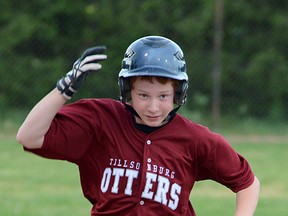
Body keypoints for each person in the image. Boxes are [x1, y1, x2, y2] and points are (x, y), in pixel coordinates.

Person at [17, 36, 260, 216]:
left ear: (178, 93)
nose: (153, 107)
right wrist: (64, 89)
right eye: (143, 95)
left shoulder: (194, 138)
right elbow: (29, 136)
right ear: (127, 91)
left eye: (163, 96)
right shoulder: (100, 120)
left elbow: (247, 183)